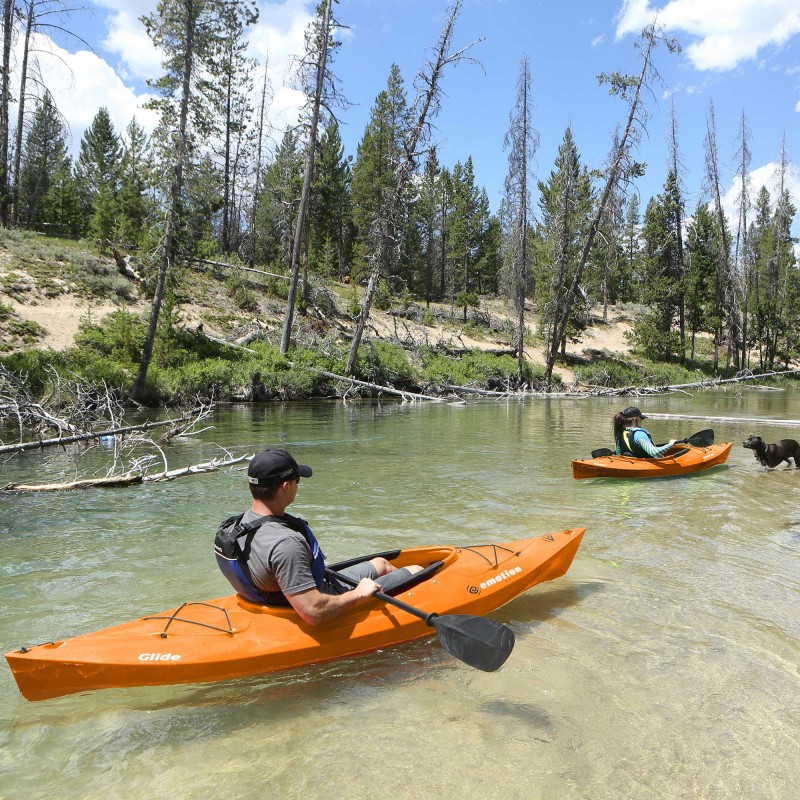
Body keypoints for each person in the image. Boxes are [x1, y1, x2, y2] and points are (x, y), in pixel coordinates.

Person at [216, 448, 422, 626]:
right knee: (416, 570)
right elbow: (314, 612)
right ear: (286, 486)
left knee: (381, 564)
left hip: (274, 597)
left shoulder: (235, 526)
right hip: (313, 603)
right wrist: (360, 593)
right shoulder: (286, 543)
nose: (298, 485)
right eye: (297, 480)